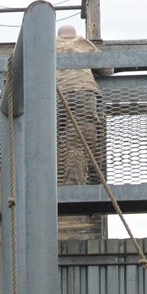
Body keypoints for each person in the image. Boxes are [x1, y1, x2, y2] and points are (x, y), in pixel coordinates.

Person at [55, 24, 107, 186]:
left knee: (47, 141)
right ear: (73, 34)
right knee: (78, 143)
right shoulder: (82, 42)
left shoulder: (47, 45)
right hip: (83, 94)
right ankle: (74, 185)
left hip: (54, 97)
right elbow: (108, 69)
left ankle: (45, 182)